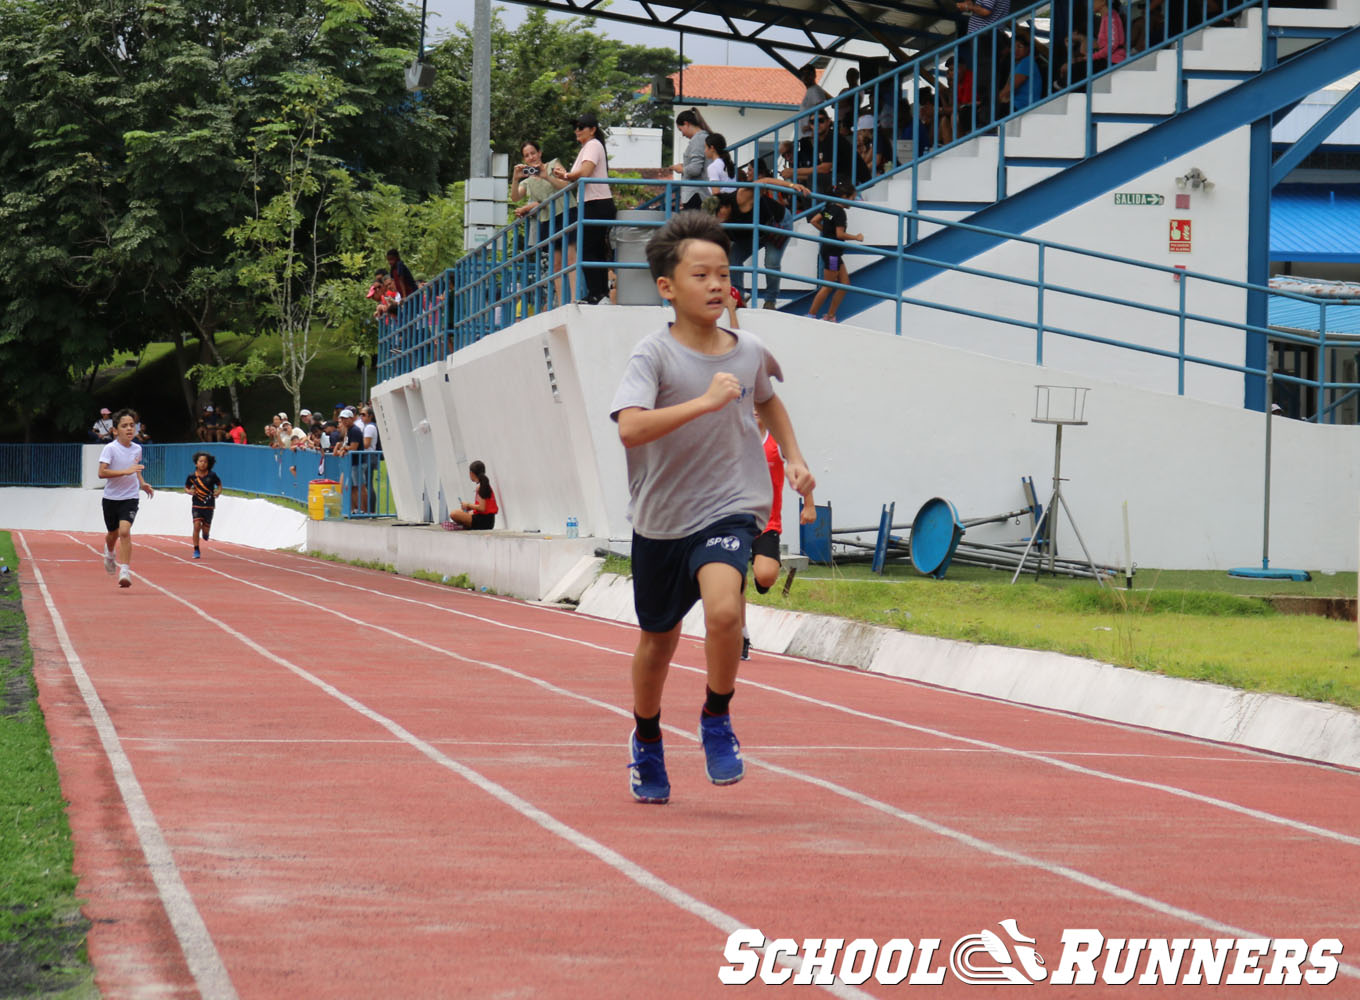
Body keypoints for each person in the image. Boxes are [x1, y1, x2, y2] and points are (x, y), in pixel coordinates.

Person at [610, 210, 816, 804]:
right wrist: (703, 403)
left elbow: (768, 401)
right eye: (700, 274)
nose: (716, 285)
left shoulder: (748, 349)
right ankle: (647, 738)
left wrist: (796, 458)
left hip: (730, 508)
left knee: (726, 613)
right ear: (668, 287)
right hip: (661, 520)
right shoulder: (651, 356)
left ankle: (716, 716)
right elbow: (630, 429)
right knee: (659, 641)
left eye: (723, 273)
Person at [740, 409, 818, 660]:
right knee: (733, 580)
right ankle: (740, 634)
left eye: (758, 404)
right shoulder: (735, 435)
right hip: (735, 521)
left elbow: (800, 467)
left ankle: (758, 576)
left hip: (767, 523)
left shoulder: (777, 441)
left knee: (765, 576)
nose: (754, 409)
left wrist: (809, 503)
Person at [550, 112, 616, 305]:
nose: (577, 131)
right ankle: (598, 293)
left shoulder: (593, 145)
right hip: (593, 202)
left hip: (596, 202)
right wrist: (564, 176)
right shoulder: (589, 147)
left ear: (593, 129)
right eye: (576, 127)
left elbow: (585, 172)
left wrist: (567, 175)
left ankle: (598, 293)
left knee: (588, 249)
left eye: (581, 127)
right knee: (593, 249)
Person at [98, 408, 155, 589]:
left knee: (124, 531)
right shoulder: (110, 449)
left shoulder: (137, 448)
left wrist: (142, 483)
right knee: (112, 534)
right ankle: (109, 553)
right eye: (124, 426)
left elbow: (135, 469)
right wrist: (125, 472)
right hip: (111, 498)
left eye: (132, 425)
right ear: (115, 430)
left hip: (130, 497)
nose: (129, 429)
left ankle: (125, 570)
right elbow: (102, 473)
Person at [511, 140, 566, 305]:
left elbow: (565, 184)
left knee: (568, 260)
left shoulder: (553, 165)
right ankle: (559, 302)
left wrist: (546, 176)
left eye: (533, 153)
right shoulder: (527, 181)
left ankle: (570, 298)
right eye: (526, 156)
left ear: (539, 153)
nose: (531, 157)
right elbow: (515, 197)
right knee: (553, 265)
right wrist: (515, 179)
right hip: (546, 222)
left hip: (564, 215)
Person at [808, 181, 865, 323]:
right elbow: (839, 234)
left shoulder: (829, 208)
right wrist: (855, 237)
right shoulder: (840, 212)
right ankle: (811, 315)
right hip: (832, 253)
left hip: (832, 251)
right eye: (853, 197)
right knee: (828, 286)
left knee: (845, 284)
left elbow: (814, 221)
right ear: (844, 197)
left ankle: (831, 315)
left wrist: (827, 232)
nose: (854, 201)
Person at [670, 108, 711, 210]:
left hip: (696, 194)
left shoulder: (698, 139)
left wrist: (682, 169)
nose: (682, 134)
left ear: (686, 124)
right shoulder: (704, 138)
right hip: (700, 193)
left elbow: (695, 169)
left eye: (681, 129)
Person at [184, 451, 222, 560]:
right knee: (196, 526)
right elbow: (186, 487)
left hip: (209, 505)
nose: (203, 464)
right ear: (196, 463)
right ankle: (196, 549)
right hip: (197, 504)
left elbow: (219, 485)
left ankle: (206, 533)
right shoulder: (192, 476)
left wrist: (218, 492)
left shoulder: (212, 475)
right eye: (200, 461)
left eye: (205, 462)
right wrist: (189, 491)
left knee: (205, 531)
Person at [999, 29, 1046, 113]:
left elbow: (1009, 89)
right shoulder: (1017, 64)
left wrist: (995, 101)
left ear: (1028, 49)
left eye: (1020, 47)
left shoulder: (1027, 62)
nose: (1015, 50)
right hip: (1018, 105)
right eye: (1012, 47)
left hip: (1022, 106)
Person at [449, 460, 499, 529]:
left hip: (483, 521)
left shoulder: (481, 487)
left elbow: (482, 508)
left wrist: (468, 505)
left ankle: (465, 526)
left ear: (471, 473)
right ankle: (465, 525)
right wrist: (469, 508)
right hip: (488, 520)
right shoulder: (484, 486)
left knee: (454, 513)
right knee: (462, 513)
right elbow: (483, 507)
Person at [797, 64, 831, 162]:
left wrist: (811, 126)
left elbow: (820, 109)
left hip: (810, 135)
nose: (805, 77)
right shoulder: (811, 90)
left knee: (813, 162)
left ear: (814, 75)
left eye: (808, 74)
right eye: (803, 75)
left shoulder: (815, 90)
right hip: (806, 135)